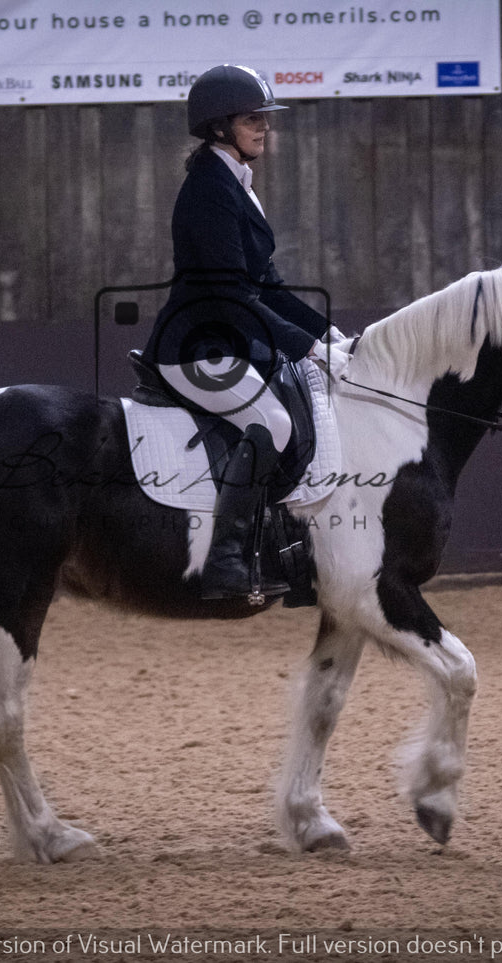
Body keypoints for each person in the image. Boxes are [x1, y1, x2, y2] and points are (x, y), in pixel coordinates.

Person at [143, 64, 345, 601]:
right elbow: (231, 297)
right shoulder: (209, 190)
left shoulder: (237, 184)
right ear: (218, 127)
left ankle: (293, 551)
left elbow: (269, 288)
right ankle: (224, 561)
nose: (264, 127)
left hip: (230, 338)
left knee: (308, 394)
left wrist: (332, 339)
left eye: (265, 118)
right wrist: (303, 345)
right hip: (193, 347)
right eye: (252, 118)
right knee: (272, 421)